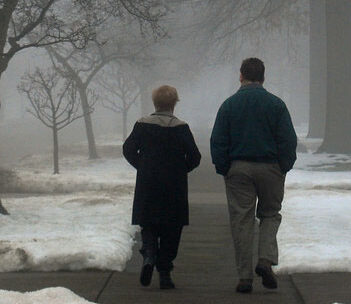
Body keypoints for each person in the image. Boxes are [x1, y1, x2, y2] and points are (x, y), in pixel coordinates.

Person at [210, 57, 297, 294]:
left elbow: (218, 140)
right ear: (263, 77)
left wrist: (224, 167)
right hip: (270, 167)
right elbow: (288, 140)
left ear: (241, 76)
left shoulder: (229, 105)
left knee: (242, 221)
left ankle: (244, 277)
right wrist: (283, 166)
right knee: (270, 214)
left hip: (238, 168)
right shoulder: (276, 105)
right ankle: (265, 260)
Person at [122, 84, 202, 290]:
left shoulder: (142, 125)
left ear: (154, 103)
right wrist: (180, 169)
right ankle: (165, 273)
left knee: (148, 223)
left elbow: (128, 148)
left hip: (148, 183)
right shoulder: (181, 128)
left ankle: (149, 254)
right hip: (174, 186)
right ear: (174, 104)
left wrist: (142, 165)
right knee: (171, 229)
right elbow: (195, 156)